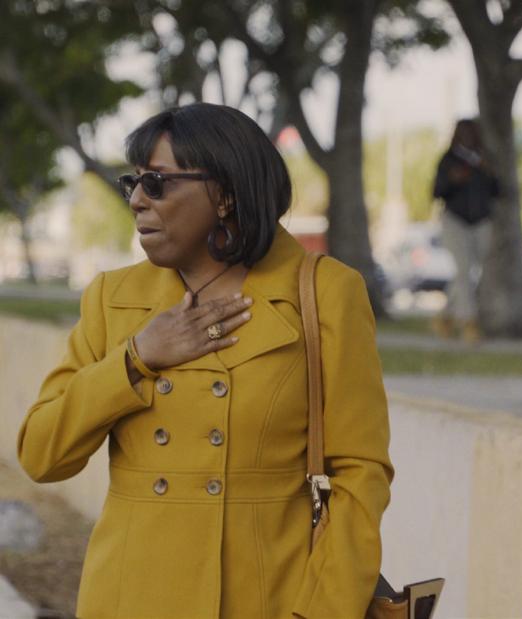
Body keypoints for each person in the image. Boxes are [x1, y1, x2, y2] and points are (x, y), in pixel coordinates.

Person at [17, 103, 394, 619]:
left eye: (157, 183)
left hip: (267, 597)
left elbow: (360, 474)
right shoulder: (113, 299)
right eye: (134, 182)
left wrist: (323, 612)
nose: (137, 200)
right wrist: (136, 359)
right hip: (132, 597)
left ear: (225, 194)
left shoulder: (324, 291)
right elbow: (42, 456)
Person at [432, 118, 499, 343]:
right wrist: (454, 179)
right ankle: (469, 322)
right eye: (464, 133)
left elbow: (498, 190)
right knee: (463, 269)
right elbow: (436, 191)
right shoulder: (448, 159)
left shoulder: (484, 159)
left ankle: (445, 316)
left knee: (471, 271)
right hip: (455, 220)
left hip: (481, 221)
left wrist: (488, 172)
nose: (468, 138)